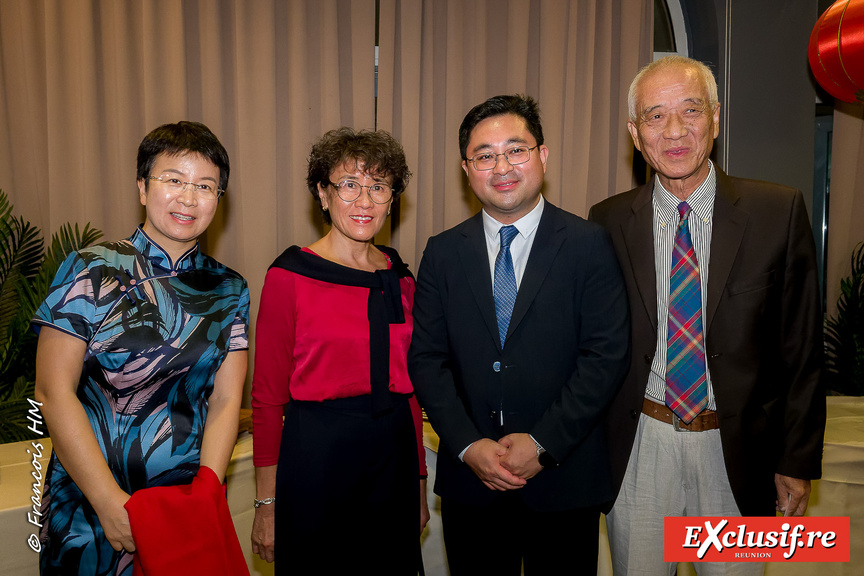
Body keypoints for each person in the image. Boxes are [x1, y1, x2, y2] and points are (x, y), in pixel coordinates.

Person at [589, 55, 825, 575]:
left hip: (736, 450)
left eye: (689, 110)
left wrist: (795, 460)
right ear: (635, 132)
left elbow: (801, 351)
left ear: (715, 118)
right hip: (640, 449)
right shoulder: (606, 221)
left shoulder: (776, 212)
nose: (674, 131)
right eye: (655, 116)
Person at [408, 94, 630, 575]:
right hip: (473, 484)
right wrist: (468, 445)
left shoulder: (588, 243)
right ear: (467, 169)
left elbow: (606, 355)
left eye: (516, 149)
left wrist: (543, 442)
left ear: (542, 156)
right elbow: (426, 359)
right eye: (484, 155)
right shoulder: (443, 253)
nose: (501, 166)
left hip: (564, 478)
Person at [33, 121, 250, 576]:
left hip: (184, 504)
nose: (189, 197)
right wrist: (110, 503)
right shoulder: (92, 269)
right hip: (90, 506)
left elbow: (227, 398)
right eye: (173, 180)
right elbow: (54, 392)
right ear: (142, 188)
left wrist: (209, 490)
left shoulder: (230, 289)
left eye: (205, 186)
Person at [250, 127, 429, 575]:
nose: (364, 201)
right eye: (349, 185)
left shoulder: (401, 278)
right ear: (323, 194)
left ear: (392, 198)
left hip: (394, 460)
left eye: (378, 187)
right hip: (318, 461)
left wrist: (420, 486)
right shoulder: (289, 276)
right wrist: (267, 505)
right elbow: (268, 400)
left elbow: (409, 391)